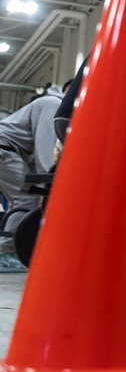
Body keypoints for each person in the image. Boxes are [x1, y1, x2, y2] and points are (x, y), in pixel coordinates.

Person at [0, 83, 65, 272]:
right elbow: (44, 157)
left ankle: (8, 249)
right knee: (26, 197)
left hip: (9, 150)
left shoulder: (47, 104)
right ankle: (6, 253)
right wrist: (51, 183)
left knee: (24, 197)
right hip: (4, 149)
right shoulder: (52, 104)